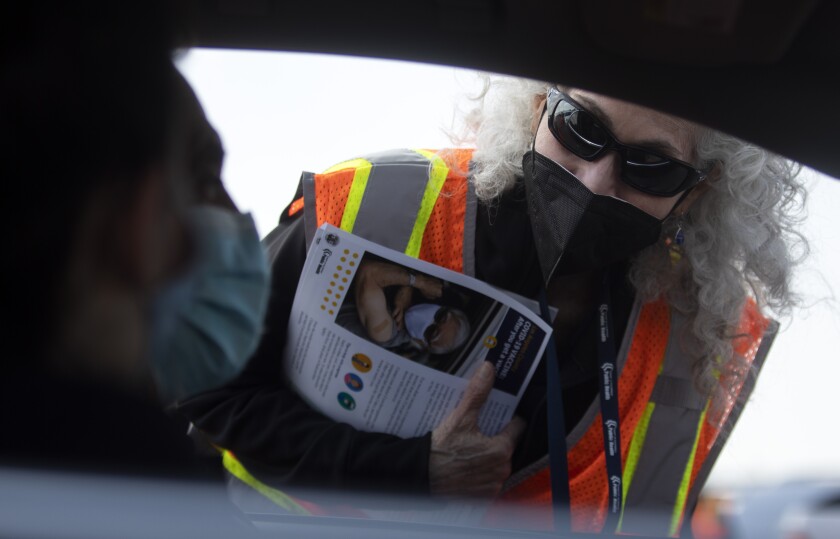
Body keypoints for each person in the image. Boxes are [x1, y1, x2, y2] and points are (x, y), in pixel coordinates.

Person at [176, 76, 806, 535]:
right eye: (579, 128)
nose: (595, 181)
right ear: (538, 106)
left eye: (652, 168)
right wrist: (409, 471)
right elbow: (198, 382)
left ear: (696, 195)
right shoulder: (367, 204)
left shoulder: (707, 337)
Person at [337, 259, 471, 360]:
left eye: (432, 331)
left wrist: (416, 282)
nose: (430, 319)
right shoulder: (416, 296)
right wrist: (410, 287)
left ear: (422, 343)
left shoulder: (386, 332)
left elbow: (368, 272)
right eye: (441, 316)